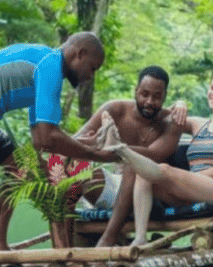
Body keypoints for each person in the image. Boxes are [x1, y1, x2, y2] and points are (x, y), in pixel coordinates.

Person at [0, 32, 118, 267]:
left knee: (21, 166)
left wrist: (82, 147)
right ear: (79, 54)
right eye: (93, 68)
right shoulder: (50, 66)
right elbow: (49, 137)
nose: (90, 76)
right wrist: (96, 154)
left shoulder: (46, 66)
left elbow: (39, 139)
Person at [103, 68, 213, 246]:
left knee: (165, 170)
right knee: (142, 173)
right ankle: (140, 239)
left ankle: (121, 149)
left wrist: (194, 177)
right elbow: (163, 117)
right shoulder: (198, 124)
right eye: (212, 88)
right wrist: (179, 104)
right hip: (189, 189)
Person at [70, 65, 187, 247]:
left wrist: (113, 146)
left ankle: (108, 239)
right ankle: (65, 240)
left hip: (148, 196)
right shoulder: (115, 110)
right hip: (116, 190)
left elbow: (154, 154)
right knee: (79, 172)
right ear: (136, 91)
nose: (149, 101)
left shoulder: (171, 122)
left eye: (157, 96)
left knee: (135, 164)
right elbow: (75, 143)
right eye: (144, 94)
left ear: (165, 96)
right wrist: (95, 142)